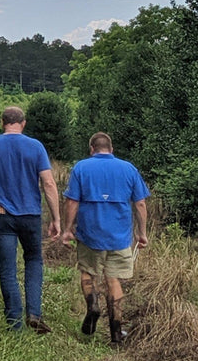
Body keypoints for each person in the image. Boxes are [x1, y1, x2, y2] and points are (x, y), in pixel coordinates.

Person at [0, 106, 61, 332]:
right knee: (33, 261)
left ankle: (15, 323)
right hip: (30, 215)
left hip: (0, 215)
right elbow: (49, 183)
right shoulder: (36, 147)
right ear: (23, 123)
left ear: (2, 122)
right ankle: (34, 313)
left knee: (7, 269)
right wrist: (56, 218)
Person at [60, 132, 149, 347]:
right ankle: (116, 334)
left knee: (88, 272)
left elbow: (72, 202)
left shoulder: (81, 167)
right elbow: (140, 204)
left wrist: (67, 229)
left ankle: (93, 306)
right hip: (119, 236)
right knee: (114, 279)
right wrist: (142, 233)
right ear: (112, 148)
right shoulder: (128, 168)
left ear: (92, 149)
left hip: (90, 234)